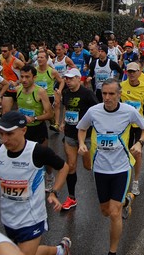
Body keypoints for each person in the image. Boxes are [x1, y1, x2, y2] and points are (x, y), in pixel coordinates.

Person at [77, 80, 144, 255]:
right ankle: (127, 201)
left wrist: (140, 143)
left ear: (119, 95)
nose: (107, 97)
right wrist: (82, 143)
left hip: (121, 168)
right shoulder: (94, 111)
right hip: (100, 168)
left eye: (111, 94)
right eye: (104, 94)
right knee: (105, 211)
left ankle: (112, 251)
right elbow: (82, 128)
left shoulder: (129, 111)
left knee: (114, 212)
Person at [0, 111, 71, 255]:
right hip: (8, 217)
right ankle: (59, 250)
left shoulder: (38, 152)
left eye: (9, 134)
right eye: (1, 134)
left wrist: (54, 192)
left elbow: (64, 167)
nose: (4, 139)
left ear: (23, 130)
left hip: (32, 219)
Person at [59, 68, 98, 210]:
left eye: (70, 79)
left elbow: (97, 110)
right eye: (66, 79)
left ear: (78, 78)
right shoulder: (66, 93)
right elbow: (66, 108)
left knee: (88, 166)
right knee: (71, 165)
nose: (68, 81)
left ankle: (103, 184)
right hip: (69, 134)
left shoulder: (87, 94)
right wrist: (63, 121)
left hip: (86, 136)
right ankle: (71, 197)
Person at [120, 62, 144, 195]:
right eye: (129, 71)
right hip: (125, 126)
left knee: (137, 152)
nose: (132, 74)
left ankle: (135, 181)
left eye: (134, 71)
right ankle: (123, 178)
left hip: (139, 125)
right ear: (126, 72)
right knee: (124, 152)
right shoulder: (121, 87)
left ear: (139, 72)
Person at [0, 44, 25, 114]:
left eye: (5, 51)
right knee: (5, 112)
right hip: (9, 90)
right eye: (2, 51)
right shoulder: (3, 62)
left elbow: (28, 74)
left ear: (10, 51)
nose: (3, 53)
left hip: (19, 90)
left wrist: (17, 82)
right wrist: (2, 83)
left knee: (22, 113)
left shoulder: (16, 62)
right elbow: (4, 75)